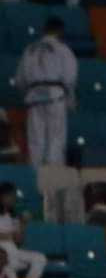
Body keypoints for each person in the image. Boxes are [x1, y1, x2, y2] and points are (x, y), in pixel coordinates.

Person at [14, 16, 77, 167]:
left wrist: (29, 94)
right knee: (55, 140)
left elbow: (19, 80)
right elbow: (70, 78)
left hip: (34, 98)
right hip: (55, 98)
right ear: (60, 31)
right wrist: (71, 100)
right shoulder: (63, 49)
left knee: (36, 141)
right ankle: (53, 179)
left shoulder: (29, 50)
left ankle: (35, 177)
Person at [0, 183, 49, 278]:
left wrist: (23, 224)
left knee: (40, 258)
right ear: (2, 196)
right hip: (2, 251)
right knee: (8, 254)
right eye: (11, 196)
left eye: (14, 197)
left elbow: (19, 242)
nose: (14, 199)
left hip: (13, 251)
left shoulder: (13, 217)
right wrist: (11, 235)